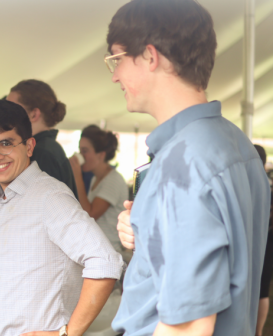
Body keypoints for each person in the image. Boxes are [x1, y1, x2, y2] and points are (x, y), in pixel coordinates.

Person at [107, 1, 270, 335]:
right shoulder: (234, 143)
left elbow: (189, 325)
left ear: (150, 57)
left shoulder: (183, 164)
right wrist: (147, 226)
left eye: (117, 58)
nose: (114, 76)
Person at [0, 99, 124, 336]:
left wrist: (67, 333)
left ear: (30, 146)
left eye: (5, 144)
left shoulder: (50, 196)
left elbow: (105, 261)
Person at [6, 79, 78, 199]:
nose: (6, 114)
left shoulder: (42, 152)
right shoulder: (46, 147)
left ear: (34, 114)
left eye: (12, 109)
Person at [69, 126, 129, 257]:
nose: (81, 155)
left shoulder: (113, 180)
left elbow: (89, 214)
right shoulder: (95, 179)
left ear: (101, 155)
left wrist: (77, 176)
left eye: (85, 151)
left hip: (110, 252)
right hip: (98, 250)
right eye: (80, 150)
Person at [255, 144, 273, 336]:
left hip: (262, 240)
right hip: (267, 240)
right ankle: (258, 332)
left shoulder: (250, 182)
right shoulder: (267, 182)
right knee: (262, 289)